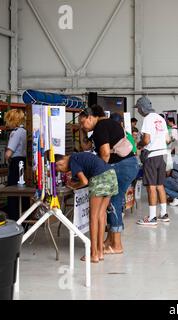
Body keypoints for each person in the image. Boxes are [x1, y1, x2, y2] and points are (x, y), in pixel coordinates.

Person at [79, 105, 138, 254]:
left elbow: (105, 154)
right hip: (128, 165)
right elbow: (86, 146)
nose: (82, 125)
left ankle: (116, 245)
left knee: (113, 202)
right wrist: (82, 130)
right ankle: (110, 240)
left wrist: (97, 172)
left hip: (121, 166)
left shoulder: (101, 126)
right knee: (113, 201)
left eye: (83, 122)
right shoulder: (107, 124)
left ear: (91, 117)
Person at [56, 153, 118, 263]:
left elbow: (84, 181)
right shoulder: (78, 156)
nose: (63, 172)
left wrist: (73, 186)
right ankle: (100, 252)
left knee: (93, 218)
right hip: (111, 175)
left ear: (60, 163)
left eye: (60, 170)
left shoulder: (72, 160)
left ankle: (94, 254)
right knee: (101, 215)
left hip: (99, 178)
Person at [134, 97, 170, 227]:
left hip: (152, 156)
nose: (138, 111)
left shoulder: (148, 119)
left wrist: (139, 144)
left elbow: (147, 140)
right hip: (163, 154)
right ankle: (164, 214)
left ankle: (152, 217)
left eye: (138, 108)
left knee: (151, 187)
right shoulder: (160, 118)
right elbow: (167, 139)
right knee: (160, 185)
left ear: (142, 108)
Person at [4, 109, 29, 221]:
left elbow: (9, 153)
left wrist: (6, 158)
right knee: (23, 190)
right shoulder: (25, 131)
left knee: (12, 191)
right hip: (24, 162)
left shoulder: (15, 132)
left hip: (16, 163)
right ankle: (24, 218)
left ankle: (14, 218)